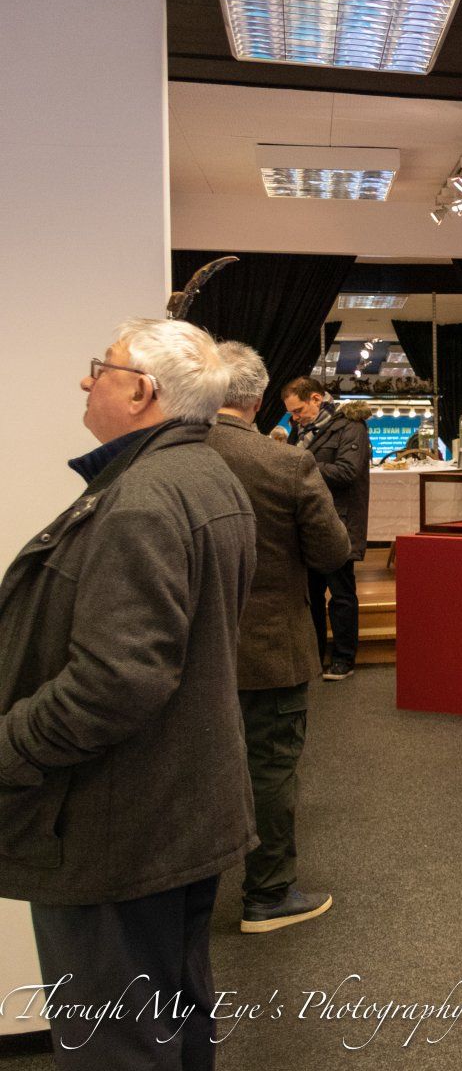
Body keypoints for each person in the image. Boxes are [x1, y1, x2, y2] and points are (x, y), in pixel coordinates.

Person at [0, 319, 255, 1067]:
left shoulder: (142, 498)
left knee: (117, 1039)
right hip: (173, 804)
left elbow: (118, 678)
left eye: (99, 369)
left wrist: (9, 746)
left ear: (141, 392)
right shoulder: (202, 476)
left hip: (115, 823)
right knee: (172, 1013)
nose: (87, 381)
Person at [209, 343, 352, 937]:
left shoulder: (168, 455)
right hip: (267, 643)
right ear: (261, 399)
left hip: (188, 647)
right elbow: (332, 551)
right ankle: (267, 893)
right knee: (270, 764)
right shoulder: (283, 463)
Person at [283, 376, 368, 681]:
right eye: (291, 413)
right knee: (312, 594)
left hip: (339, 523)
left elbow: (348, 471)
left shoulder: (351, 426)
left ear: (317, 400)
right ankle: (315, 655)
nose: (294, 417)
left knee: (342, 594)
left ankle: (344, 658)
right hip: (307, 524)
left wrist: (298, 467)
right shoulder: (299, 429)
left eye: (298, 410)